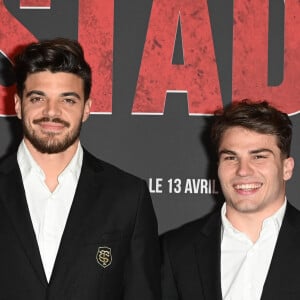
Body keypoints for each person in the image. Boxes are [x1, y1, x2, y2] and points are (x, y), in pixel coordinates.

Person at [0, 38, 161, 299]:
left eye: (68, 100)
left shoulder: (128, 197)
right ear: (18, 105)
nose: (51, 112)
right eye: (38, 98)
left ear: (87, 108)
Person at [160, 99, 300, 300]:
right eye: (231, 157)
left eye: (258, 157)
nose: (243, 171)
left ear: (287, 168)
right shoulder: (176, 250)